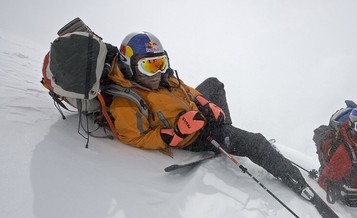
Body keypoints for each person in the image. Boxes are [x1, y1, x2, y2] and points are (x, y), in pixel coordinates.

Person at [106, 31, 311, 199]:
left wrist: (205, 103)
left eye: (160, 63)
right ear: (129, 65)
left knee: (214, 84)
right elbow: (133, 136)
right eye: (148, 66)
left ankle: (226, 133)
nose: (157, 72)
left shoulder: (160, 79)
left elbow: (186, 89)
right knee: (256, 142)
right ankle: (295, 180)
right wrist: (174, 133)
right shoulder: (125, 102)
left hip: (195, 117)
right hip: (192, 137)